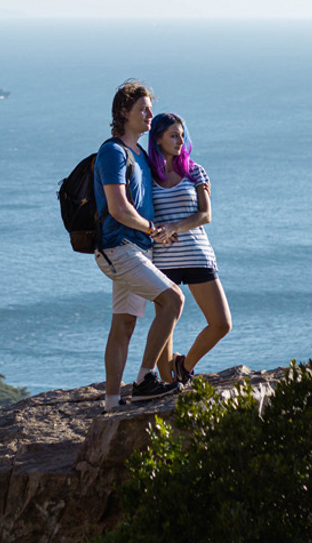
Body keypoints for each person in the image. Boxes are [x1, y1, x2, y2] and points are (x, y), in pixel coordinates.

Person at [93, 80, 185, 412]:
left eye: (150, 108)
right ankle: (145, 379)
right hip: (119, 249)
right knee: (173, 300)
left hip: (136, 249)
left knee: (124, 323)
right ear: (123, 112)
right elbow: (118, 208)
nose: (150, 114)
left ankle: (112, 402)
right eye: (142, 109)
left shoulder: (140, 155)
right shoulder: (113, 152)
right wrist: (153, 229)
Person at [147, 113, 232, 384]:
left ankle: (185, 366)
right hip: (162, 259)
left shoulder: (195, 170)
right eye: (173, 135)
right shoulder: (145, 174)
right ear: (158, 139)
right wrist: (153, 231)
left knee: (221, 323)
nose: (180, 140)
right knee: (165, 327)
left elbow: (205, 214)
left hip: (197, 254)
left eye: (182, 135)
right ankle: (167, 384)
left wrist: (174, 227)